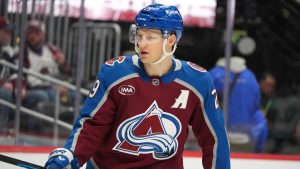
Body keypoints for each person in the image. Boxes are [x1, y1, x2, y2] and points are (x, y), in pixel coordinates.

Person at [45, 4, 230, 169]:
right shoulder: (115, 72)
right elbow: (92, 124)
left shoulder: (198, 81)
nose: (142, 43)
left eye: (150, 37)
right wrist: (71, 155)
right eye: (139, 35)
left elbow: (214, 140)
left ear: (171, 40)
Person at [209, 56, 268, 152]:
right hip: (245, 137)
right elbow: (255, 105)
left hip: (218, 134)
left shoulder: (214, 74)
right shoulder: (250, 76)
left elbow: (202, 102)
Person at [17, 19, 65, 110]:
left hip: (52, 85)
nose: (33, 35)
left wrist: (63, 63)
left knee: (75, 95)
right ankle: (52, 123)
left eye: (36, 32)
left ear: (43, 34)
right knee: (47, 95)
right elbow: (28, 81)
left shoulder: (51, 49)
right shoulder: (21, 51)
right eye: (30, 32)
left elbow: (66, 71)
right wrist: (53, 87)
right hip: (31, 89)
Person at [0, 16, 24, 131]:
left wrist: (20, 86)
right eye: (6, 31)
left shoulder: (5, 52)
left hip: (5, 88)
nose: (9, 35)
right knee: (5, 92)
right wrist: (2, 83)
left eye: (10, 32)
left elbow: (15, 72)